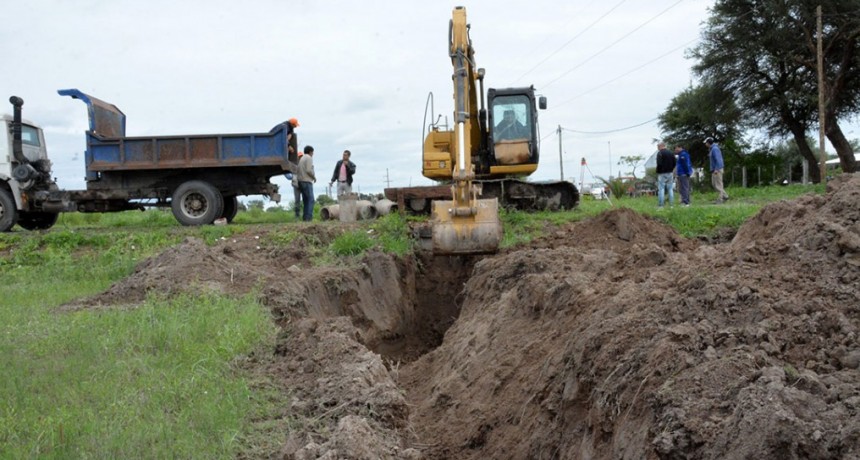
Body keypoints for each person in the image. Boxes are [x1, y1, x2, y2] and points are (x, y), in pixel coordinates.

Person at [705, 137, 729, 203]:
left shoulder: (715, 149)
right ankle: (725, 196)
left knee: (718, 185)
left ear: (708, 143)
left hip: (717, 169)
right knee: (714, 184)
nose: (705, 144)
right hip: (714, 170)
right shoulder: (712, 149)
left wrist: (716, 169)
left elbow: (718, 159)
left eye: (706, 143)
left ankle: (720, 199)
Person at [297, 145, 316, 221]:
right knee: (311, 200)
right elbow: (308, 170)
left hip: (300, 181)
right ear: (310, 152)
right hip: (306, 181)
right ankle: (308, 218)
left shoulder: (301, 159)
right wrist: (314, 177)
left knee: (305, 200)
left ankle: (305, 218)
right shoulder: (308, 158)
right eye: (313, 152)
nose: (313, 154)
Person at [655, 142, 676, 208]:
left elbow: (659, 164)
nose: (657, 148)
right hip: (670, 172)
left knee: (661, 189)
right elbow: (674, 162)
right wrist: (671, 169)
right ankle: (671, 205)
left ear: (661, 146)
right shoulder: (671, 153)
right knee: (670, 189)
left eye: (658, 146)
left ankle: (661, 205)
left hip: (662, 173)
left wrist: (658, 171)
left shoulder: (660, 153)